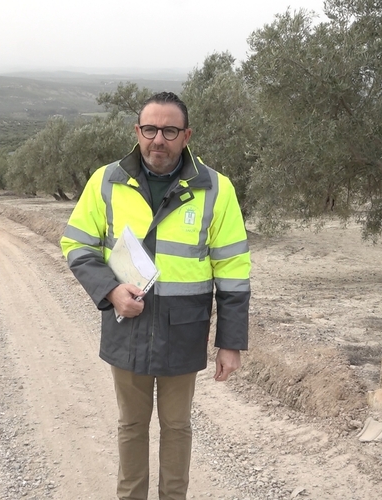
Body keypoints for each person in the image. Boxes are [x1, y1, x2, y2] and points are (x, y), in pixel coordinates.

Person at [60, 91, 251, 500]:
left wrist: (230, 343)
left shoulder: (216, 188)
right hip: (126, 324)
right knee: (131, 426)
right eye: (150, 129)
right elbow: (76, 246)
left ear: (186, 135)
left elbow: (233, 270)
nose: (158, 139)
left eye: (169, 130)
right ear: (137, 131)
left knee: (177, 426)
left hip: (184, 328)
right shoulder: (106, 180)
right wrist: (110, 290)